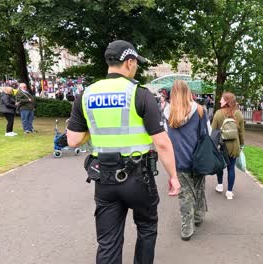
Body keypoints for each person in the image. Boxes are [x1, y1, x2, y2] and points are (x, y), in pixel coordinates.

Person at [66, 40, 180, 264]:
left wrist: (94, 126)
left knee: (108, 241)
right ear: (128, 62)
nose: (137, 66)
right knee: (146, 228)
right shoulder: (140, 94)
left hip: (104, 178)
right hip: (139, 176)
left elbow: (73, 140)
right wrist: (174, 177)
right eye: (136, 62)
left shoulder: (87, 94)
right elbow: (162, 143)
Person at [163, 80, 209, 241]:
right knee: (199, 188)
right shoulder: (200, 111)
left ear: (172, 94)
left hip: (178, 160)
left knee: (184, 195)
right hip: (198, 158)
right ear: (189, 92)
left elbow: (165, 138)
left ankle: (186, 228)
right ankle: (198, 216)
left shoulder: (167, 112)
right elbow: (205, 135)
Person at [212, 92, 245, 200]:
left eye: (222, 99)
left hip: (221, 146)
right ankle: (229, 192)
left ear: (226, 101)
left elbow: (214, 131)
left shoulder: (218, 113)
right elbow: (241, 133)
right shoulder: (238, 114)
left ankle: (220, 185)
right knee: (231, 168)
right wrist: (242, 145)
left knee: (220, 165)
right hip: (234, 146)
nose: (220, 101)